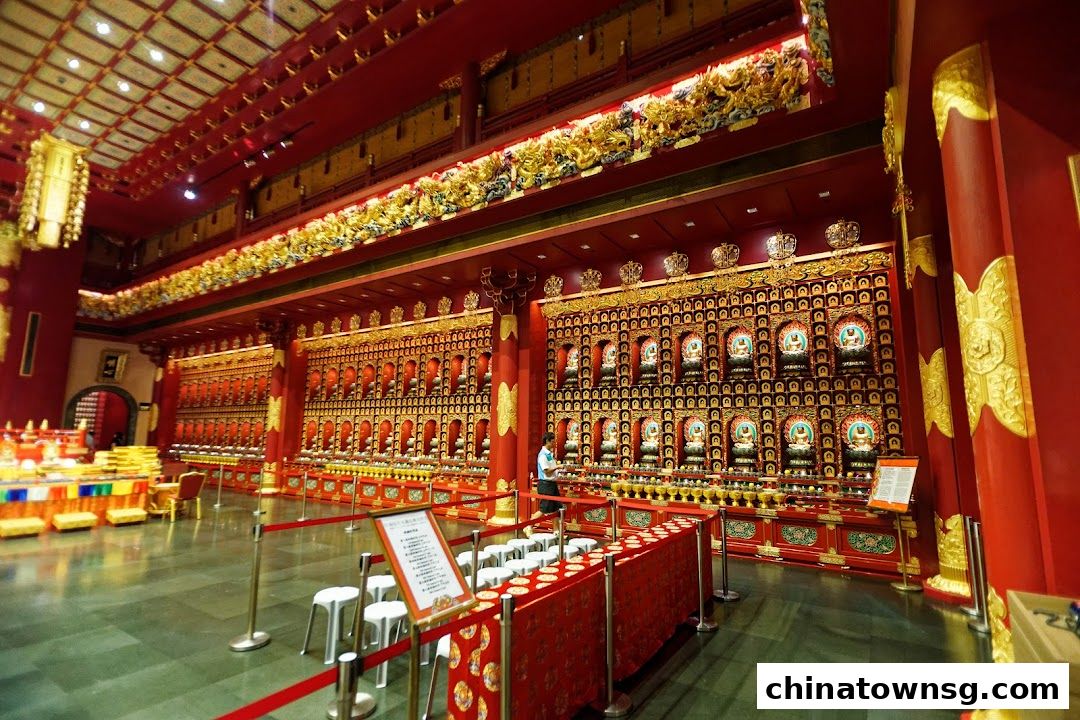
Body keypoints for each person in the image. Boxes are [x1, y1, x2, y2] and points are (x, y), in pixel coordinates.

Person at [526, 432, 561, 537]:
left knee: (556, 509)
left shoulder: (549, 454)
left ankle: (556, 532)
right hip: (545, 484)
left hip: (552, 484)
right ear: (547, 441)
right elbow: (546, 471)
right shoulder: (542, 455)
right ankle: (528, 526)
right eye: (553, 441)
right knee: (543, 509)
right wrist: (558, 467)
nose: (555, 443)